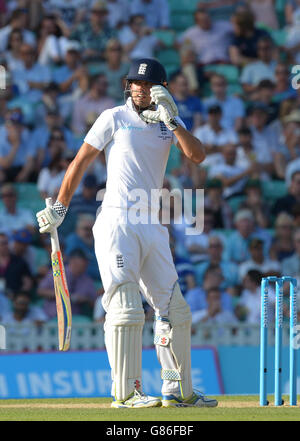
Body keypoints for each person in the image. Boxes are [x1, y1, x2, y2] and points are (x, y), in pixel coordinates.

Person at [36, 57, 217, 408]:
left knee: (175, 312)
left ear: (162, 90)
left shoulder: (168, 123)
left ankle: (176, 390)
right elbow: (80, 161)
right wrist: (60, 208)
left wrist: (173, 119)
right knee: (126, 309)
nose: (141, 89)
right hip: (118, 221)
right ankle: (126, 393)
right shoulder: (113, 117)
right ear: (128, 86)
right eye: (136, 83)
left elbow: (197, 156)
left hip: (153, 224)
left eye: (149, 85)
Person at [37, 248, 98, 319]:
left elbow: (94, 303)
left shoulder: (87, 280)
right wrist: (65, 295)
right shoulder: (58, 272)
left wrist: (86, 299)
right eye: (83, 260)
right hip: (51, 316)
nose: (86, 263)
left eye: (87, 261)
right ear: (73, 260)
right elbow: (40, 291)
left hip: (74, 319)